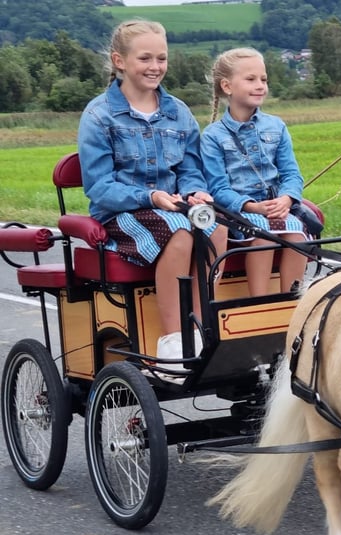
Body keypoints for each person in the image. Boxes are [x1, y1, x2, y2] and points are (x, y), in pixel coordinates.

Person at [77, 19, 228, 371]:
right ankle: (173, 342)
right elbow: (99, 186)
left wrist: (194, 191)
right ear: (120, 60)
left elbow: (190, 169)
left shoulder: (179, 112)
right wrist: (152, 197)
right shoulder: (99, 115)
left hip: (173, 206)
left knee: (217, 229)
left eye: (161, 58)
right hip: (120, 211)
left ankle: (201, 328)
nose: (155, 67)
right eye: (145, 58)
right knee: (177, 232)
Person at [201, 47, 308, 297]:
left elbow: (292, 173)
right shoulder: (213, 136)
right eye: (250, 79)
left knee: (298, 235)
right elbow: (218, 189)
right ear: (227, 86)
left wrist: (286, 198)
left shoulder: (276, 126)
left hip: (276, 208)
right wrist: (251, 207)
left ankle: (292, 303)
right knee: (264, 237)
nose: (260, 85)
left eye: (263, 79)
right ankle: (259, 304)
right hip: (238, 215)